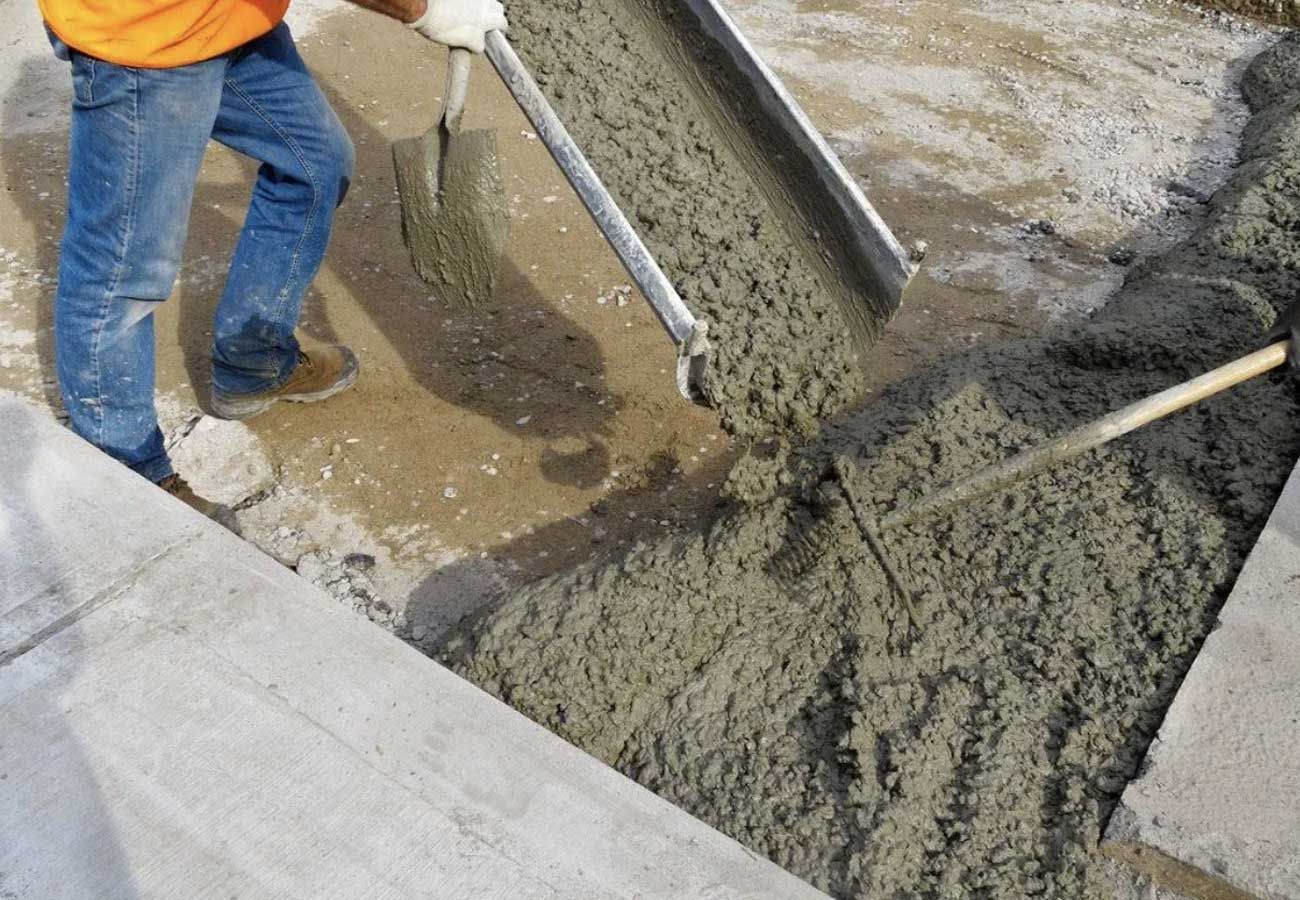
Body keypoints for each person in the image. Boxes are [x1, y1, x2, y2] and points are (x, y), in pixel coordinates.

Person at [39, 0, 508, 532]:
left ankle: (252, 365)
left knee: (315, 165)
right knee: (123, 269)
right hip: (148, 36)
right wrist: (422, 11)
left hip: (231, 18)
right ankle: (126, 476)